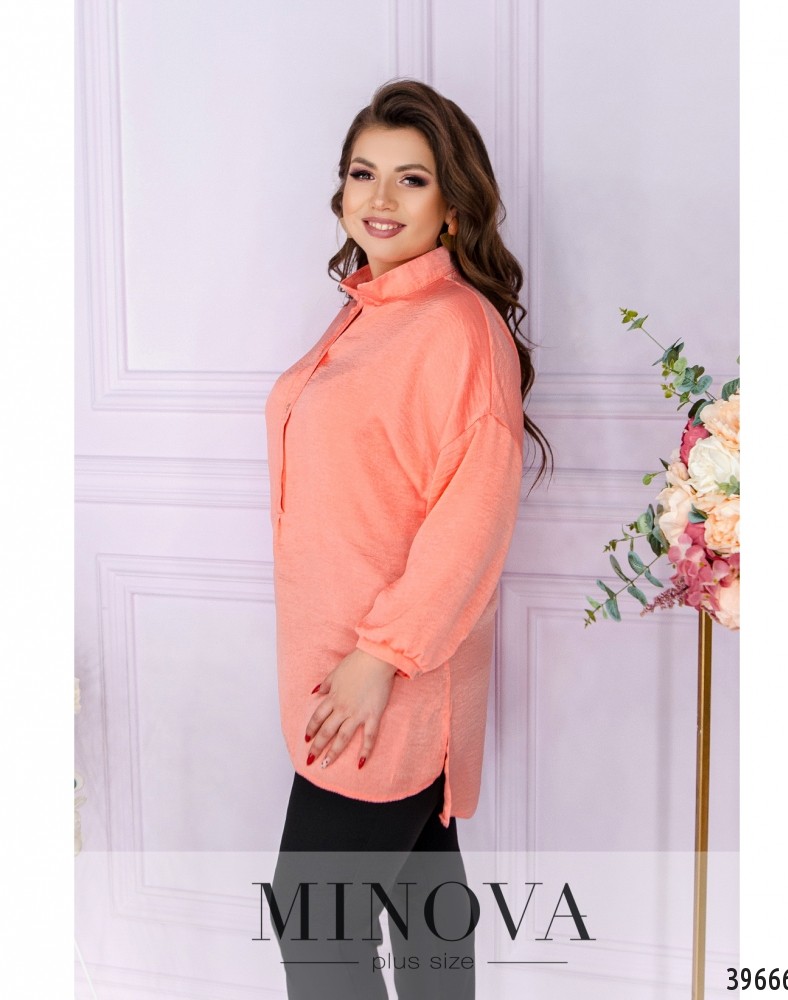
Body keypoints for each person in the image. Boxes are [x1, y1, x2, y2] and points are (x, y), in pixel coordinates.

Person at [264, 79, 550, 1000]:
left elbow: (472, 518)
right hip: (339, 667)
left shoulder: (458, 326)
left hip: (383, 678)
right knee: (427, 936)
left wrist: (378, 658)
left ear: (453, 206)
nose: (379, 198)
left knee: (318, 934)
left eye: (411, 178)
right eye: (363, 173)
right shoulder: (370, 309)